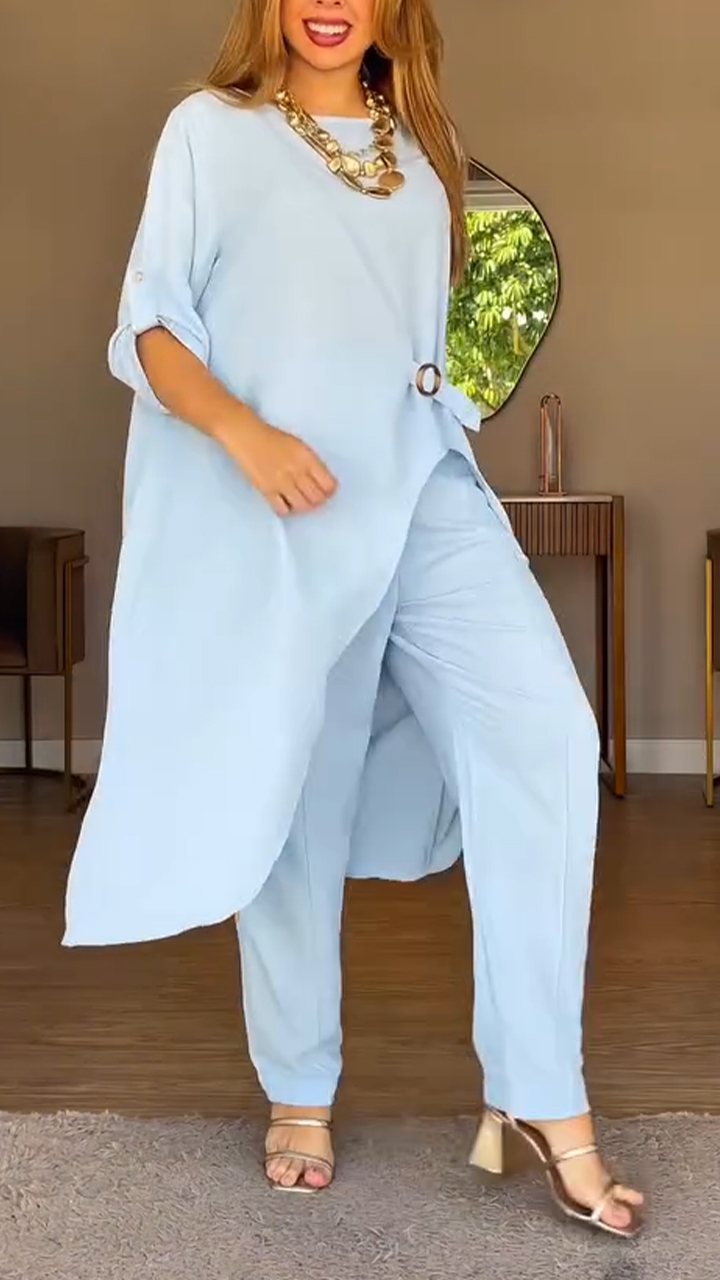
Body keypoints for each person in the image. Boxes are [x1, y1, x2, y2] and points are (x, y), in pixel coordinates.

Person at [64, 0, 643, 1237]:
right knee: (301, 796)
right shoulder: (211, 131)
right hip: (291, 510)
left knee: (546, 738)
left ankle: (542, 1091)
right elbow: (151, 324)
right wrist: (247, 434)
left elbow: (435, 343)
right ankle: (300, 1086)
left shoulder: (424, 152)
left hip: (428, 494)